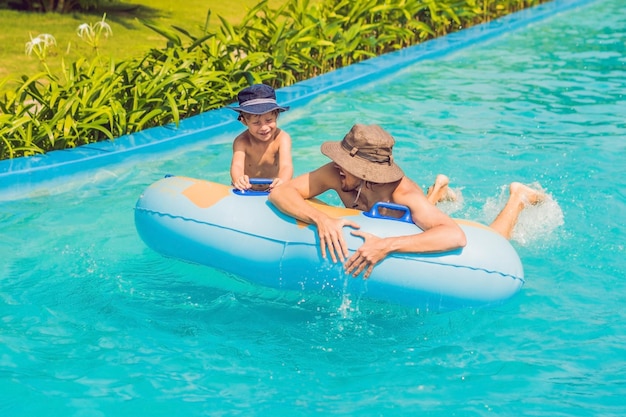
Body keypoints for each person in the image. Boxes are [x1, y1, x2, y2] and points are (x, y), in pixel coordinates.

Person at [268, 123, 545, 279]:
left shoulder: (401, 192)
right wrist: (321, 218)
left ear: (367, 173)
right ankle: (438, 190)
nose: (336, 165)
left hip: (405, 217)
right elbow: (281, 193)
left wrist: (388, 246)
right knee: (412, 214)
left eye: (345, 163)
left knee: (496, 239)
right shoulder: (336, 173)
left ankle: (518, 198)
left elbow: (455, 236)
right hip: (394, 215)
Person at [229, 84, 293, 191]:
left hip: (275, 188)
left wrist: (282, 180)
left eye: (269, 120)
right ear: (244, 121)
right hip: (248, 188)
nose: (264, 127)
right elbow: (237, 166)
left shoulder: (282, 138)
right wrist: (238, 179)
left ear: (276, 116)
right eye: (256, 123)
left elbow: (286, 165)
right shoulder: (241, 142)